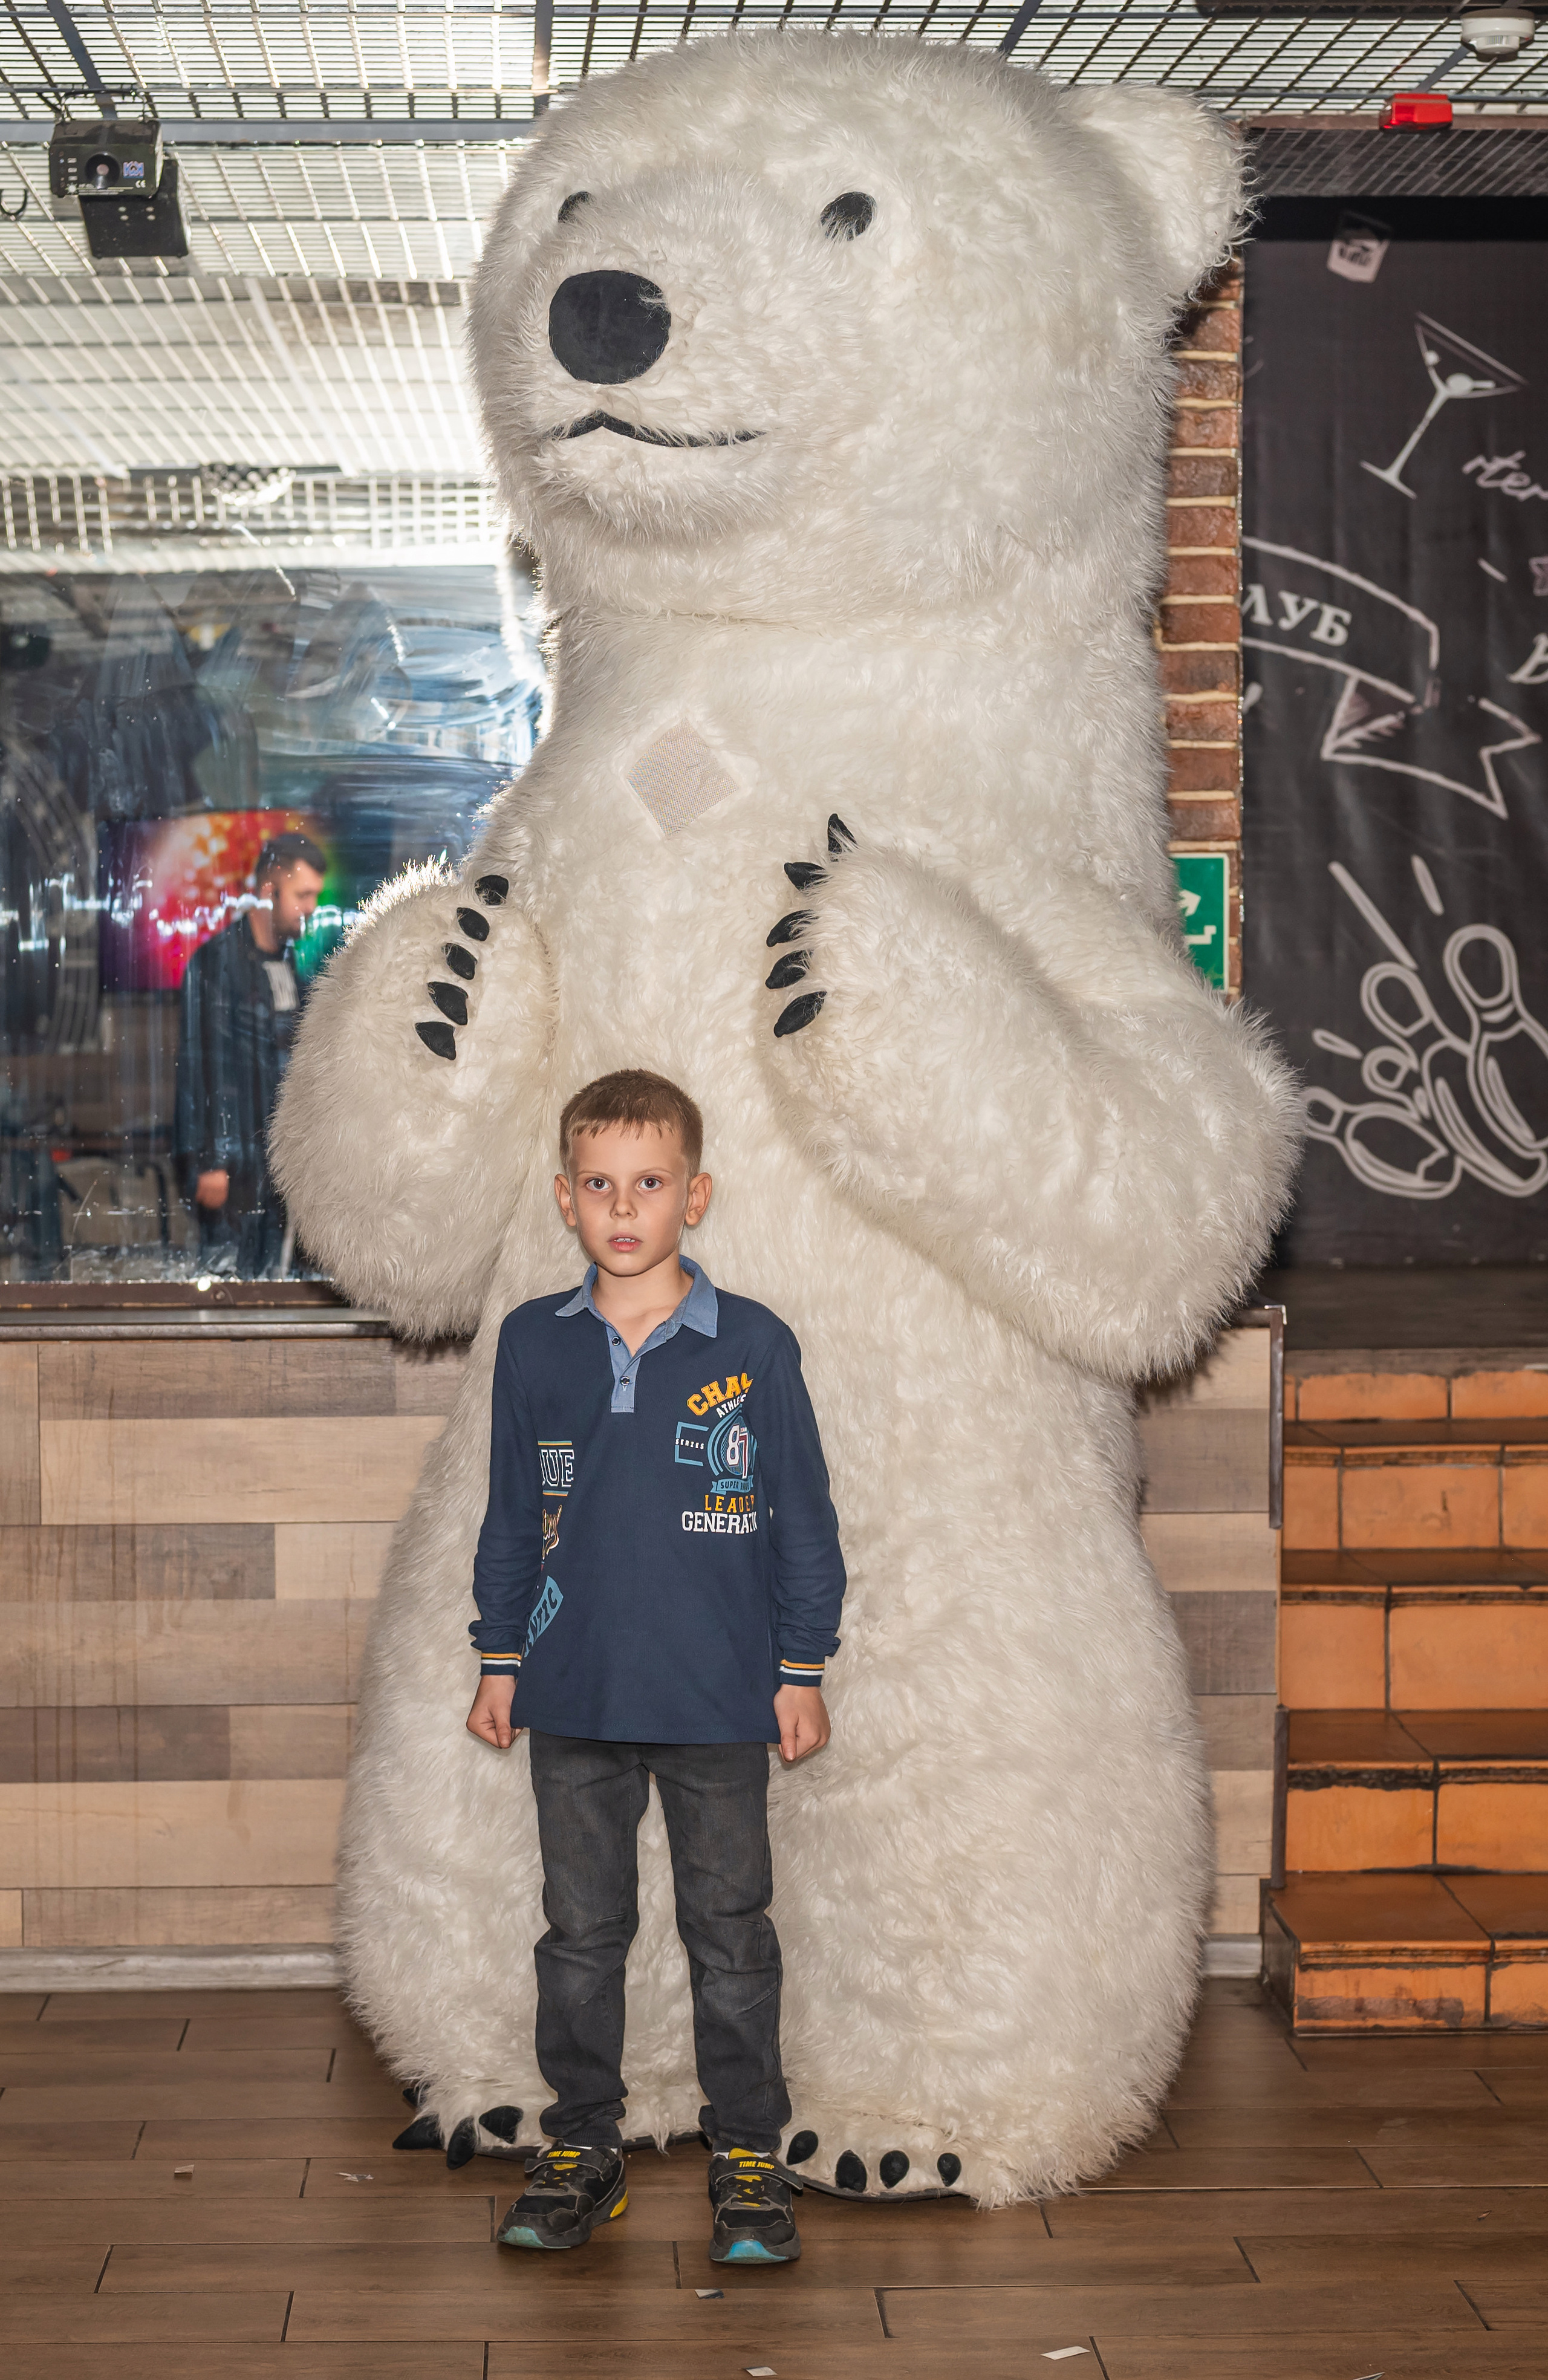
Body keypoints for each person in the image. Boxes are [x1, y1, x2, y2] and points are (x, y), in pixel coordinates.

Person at [465, 1068, 846, 2267]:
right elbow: (512, 1516)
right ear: (564, 1201)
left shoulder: (754, 1346)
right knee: (578, 1936)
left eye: (648, 1183)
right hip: (571, 1696)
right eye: (598, 1185)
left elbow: (801, 1520)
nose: (622, 1207)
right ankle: (582, 2144)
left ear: (696, 1194)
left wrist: (800, 1666)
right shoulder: (535, 1345)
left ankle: (746, 2154)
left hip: (720, 1699)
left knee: (729, 1934)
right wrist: (497, 1654)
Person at [174, 829, 327, 1278]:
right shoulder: (216, 965)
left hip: (278, 1166)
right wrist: (210, 1161)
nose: (312, 907)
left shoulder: (290, 963)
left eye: (315, 895)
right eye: (303, 894)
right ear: (268, 891)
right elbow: (201, 1067)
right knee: (229, 1286)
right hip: (234, 1169)